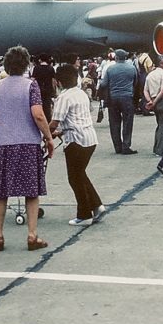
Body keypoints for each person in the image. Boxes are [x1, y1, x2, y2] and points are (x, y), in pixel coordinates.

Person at [0, 46, 55, 252]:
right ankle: (32, 235)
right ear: (26, 64)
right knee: (31, 191)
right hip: (25, 142)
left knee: (0, 192)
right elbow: (38, 114)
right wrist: (48, 137)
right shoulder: (31, 85)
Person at [49, 65, 105, 227]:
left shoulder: (63, 98)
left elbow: (54, 123)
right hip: (89, 138)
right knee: (80, 174)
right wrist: (59, 132)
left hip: (75, 141)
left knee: (74, 178)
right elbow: (76, 119)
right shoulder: (81, 93)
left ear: (58, 81)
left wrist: (45, 134)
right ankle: (96, 205)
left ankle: (84, 215)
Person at [102, 49, 138, 154]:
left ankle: (117, 146)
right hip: (127, 97)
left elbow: (104, 84)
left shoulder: (110, 69)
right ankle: (126, 146)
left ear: (116, 57)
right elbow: (135, 83)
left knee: (114, 123)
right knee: (128, 122)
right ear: (125, 57)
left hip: (113, 98)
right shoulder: (132, 68)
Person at [143, 55, 163, 158]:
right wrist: (154, 102)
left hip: (153, 99)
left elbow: (145, 90)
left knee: (160, 124)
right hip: (162, 101)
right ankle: (161, 149)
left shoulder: (150, 75)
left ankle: (157, 148)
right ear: (161, 64)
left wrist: (150, 101)